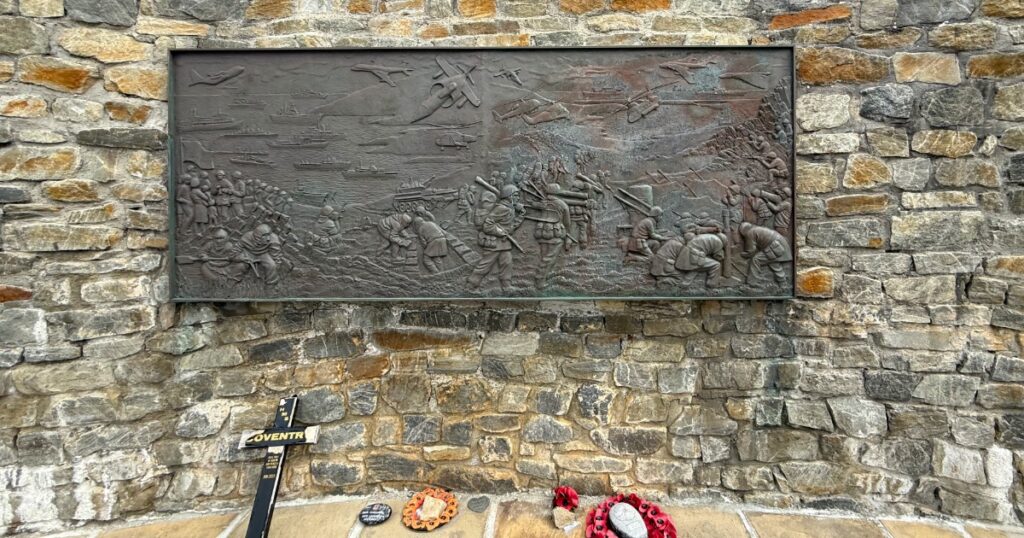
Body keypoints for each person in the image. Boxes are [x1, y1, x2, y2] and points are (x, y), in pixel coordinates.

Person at [468, 184, 523, 292]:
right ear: (509, 196)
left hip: (504, 243)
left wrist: (521, 215)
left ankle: (506, 286)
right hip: (495, 243)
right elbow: (487, 225)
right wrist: (500, 232)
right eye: (515, 195)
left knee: (507, 263)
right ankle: (471, 286)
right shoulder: (501, 209)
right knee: (485, 264)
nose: (518, 198)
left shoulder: (509, 208)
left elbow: (510, 227)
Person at [533, 184, 571, 289]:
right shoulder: (562, 205)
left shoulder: (542, 203)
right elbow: (567, 223)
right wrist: (568, 235)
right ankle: (539, 280)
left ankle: (543, 276)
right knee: (549, 258)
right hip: (555, 234)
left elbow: (533, 204)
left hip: (541, 233)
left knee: (544, 257)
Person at [739, 222, 791, 286]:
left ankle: (753, 282)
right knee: (774, 263)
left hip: (775, 246)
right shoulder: (756, 229)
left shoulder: (750, 233)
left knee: (756, 260)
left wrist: (742, 255)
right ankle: (783, 283)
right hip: (779, 243)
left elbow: (751, 250)